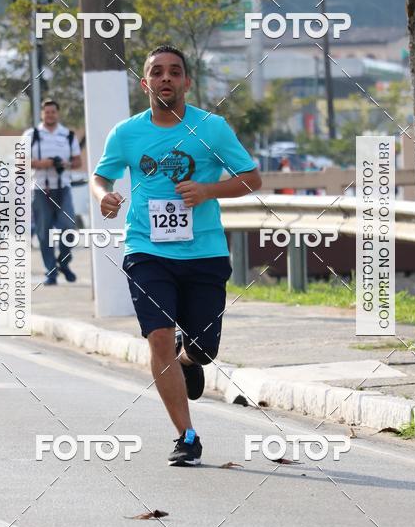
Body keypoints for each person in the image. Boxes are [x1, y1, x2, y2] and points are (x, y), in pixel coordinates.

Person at [91, 45, 262, 467]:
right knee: (160, 337)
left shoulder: (213, 128)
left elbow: (252, 177)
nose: (166, 78)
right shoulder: (126, 133)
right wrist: (104, 196)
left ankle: (191, 359)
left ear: (186, 81)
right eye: (157, 72)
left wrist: (208, 191)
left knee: (204, 347)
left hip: (204, 252)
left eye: (175, 72)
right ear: (145, 82)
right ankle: (186, 436)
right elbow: (100, 176)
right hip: (146, 250)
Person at [24, 98, 82, 286]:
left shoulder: (67, 135)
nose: (50, 115)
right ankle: (51, 272)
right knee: (44, 233)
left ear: (58, 113)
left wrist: (64, 164)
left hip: (63, 187)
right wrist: (42, 164)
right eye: (46, 112)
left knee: (69, 228)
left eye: (53, 112)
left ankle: (64, 263)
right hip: (40, 189)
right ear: (42, 114)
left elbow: (77, 162)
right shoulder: (31, 135)